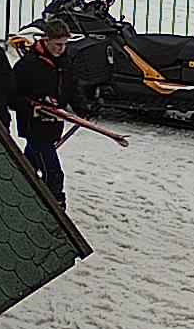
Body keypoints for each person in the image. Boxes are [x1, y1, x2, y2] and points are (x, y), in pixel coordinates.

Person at [10, 17, 126, 205]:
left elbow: (72, 88)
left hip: (53, 125)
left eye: (64, 44)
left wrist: (83, 107)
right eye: (57, 44)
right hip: (34, 125)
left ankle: (14, 189)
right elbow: (12, 95)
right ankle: (55, 204)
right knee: (53, 172)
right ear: (46, 40)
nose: (61, 48)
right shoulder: (28, 65)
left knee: (29, 164)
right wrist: (34, 106)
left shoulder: (65, 62)